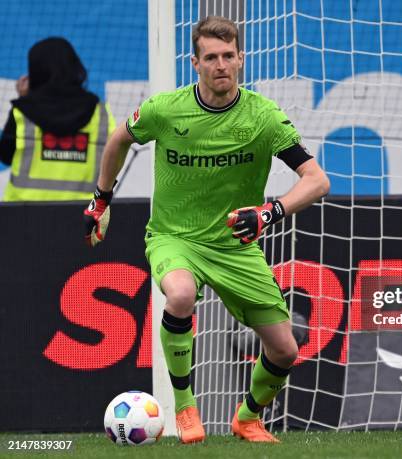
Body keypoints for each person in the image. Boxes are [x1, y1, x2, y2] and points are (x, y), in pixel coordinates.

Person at [83, 16, 329, 444]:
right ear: (194, 63)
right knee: (178, 294)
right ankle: (184, 407)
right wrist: (101, 199)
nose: (220, 65)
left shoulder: (264, 117)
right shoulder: (165, 109)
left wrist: (271, 211)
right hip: (174, 237)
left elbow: (316, 180)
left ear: (241, 60)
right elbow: (119, 139)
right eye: (210, 57)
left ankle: (248, 418)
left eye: (228, 56)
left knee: (285, 349)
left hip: (235, 245)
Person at [0, 37, 115, 201]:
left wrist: (25, 99)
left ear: (37, 72)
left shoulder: (23, 111)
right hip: (83, 214)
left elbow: (5, 155)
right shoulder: (100, 112)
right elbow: (114, 160)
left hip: (23, 216)